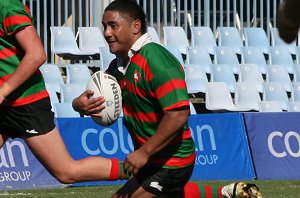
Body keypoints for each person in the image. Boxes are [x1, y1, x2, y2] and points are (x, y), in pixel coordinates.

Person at [72, 0, 263, 197]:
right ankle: (228, 194)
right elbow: (101, 97)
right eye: (105, 26)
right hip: (152, 160)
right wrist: (79, 105)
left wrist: (144, 152)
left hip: (172, 161)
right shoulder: (120, 65)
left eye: (113, 25)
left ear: (135, 26)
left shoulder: (156, 60)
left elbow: (179, 114)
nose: (106, 33)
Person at [0, 0, 129, 185]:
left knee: (66, 172)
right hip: (5, 104)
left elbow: (37, 54)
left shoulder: (6, 5)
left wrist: (2, 92)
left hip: (25, 104)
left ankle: (137, 171)